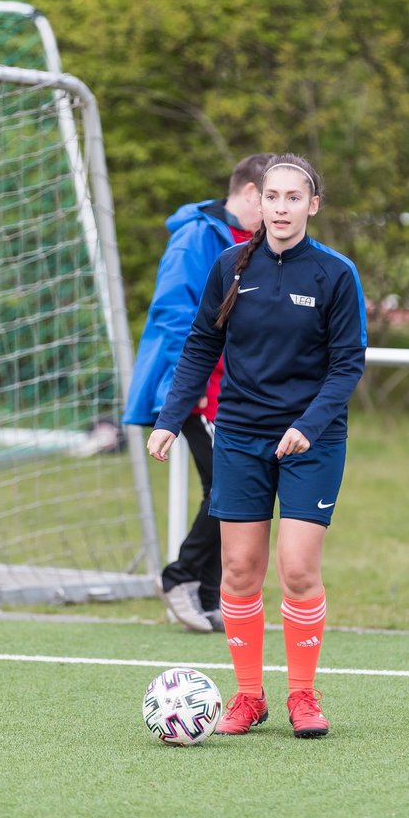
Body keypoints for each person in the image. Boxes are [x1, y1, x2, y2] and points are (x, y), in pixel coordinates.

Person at [147, 154, 367, 739]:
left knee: (297, 570)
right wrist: (171, 418)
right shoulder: (230, 266)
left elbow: (347, 365)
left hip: (310, 442)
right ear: (258, 200)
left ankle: (302, 694)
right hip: (239, 436)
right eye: (273, 196)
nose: (282, 208)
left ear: (312, 206)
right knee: (240, 570)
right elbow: (199, 347)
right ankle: (249, 696)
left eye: (295, 198)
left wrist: (311, 423)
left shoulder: (335, 275)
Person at [125, 153, 273, 633]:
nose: (276, 209)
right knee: (230, 486)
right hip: (199, 389)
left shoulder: (258, 241)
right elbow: (173, 315)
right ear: (250, 193)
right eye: (269, 197)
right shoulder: (196, 236)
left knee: (235, 489)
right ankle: (180, 576)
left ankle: (209, 594)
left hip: (240, 390)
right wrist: (180, 394)